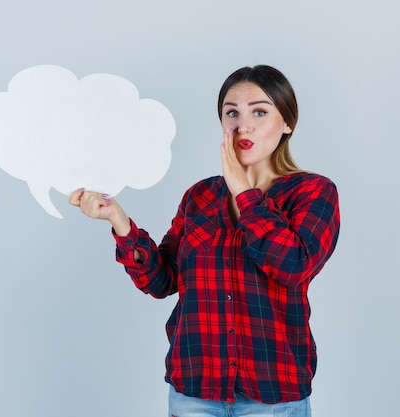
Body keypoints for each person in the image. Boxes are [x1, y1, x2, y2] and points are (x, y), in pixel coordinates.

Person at [69, 65, 340, 417]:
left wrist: (243, 190)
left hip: (272, 397)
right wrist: (119, 220)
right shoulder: (200, 196)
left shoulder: (313, 192)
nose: (244, 125)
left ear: (287, 122)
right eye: (232, 113)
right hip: (195, 394)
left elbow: (293, 265)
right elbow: (163, 281)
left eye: (259, 111)